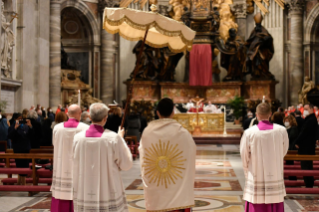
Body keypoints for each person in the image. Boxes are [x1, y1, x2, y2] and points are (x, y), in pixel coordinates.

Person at [73, 103, 132, 211]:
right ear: (106, 118)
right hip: (107, 189)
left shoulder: (78, 138)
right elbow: (126, 164)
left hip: (85, 187)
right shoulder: (113, 138)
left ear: (90, 117)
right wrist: (120, 138)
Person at [139, 98, 196, 212]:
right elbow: (191, 154)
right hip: (177, 192)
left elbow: (144, 157)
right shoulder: (183, 133)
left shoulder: (147, 132)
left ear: (157, 112)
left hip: (156, 190)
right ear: (173, 112)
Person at [240, 102, 289, 211]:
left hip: (256, 175)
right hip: (275, 174)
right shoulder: (281, 131)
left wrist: (247, 173)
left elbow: (244, 157)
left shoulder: (249, 133)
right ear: (270, 114)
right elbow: (283, 151)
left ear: (256, 115)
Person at [50, 104, 89, 212]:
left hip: (62, 167)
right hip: (79, 167)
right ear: (80, 113)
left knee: (61, 193)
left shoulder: (57, 128)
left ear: (67, 113)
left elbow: (54, 144)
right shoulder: (85, 128)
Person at [294, 104, 319, 188]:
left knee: (306, 166)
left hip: (306, 148)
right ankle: (309, 183)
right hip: (307, 147)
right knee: (307, 166)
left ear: (312, 109)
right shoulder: (310, 119)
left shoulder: (311, 120)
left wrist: (297, 142)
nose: (304, 111)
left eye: (306, 109)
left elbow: (304, 133)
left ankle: (309, 184)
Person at [8, 110, 33, 185]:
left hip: (25, 148)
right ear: (15, 119)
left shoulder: (26, 126)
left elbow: (32, 136)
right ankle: (21, 183)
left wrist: (30, 126)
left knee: (25, 165)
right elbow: (9, 136)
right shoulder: (12, 126)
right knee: (19, 165)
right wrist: (15, 128)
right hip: (18, 149)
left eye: (21, 118)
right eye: (19, 119)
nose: (21, 120)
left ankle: (22, 183)